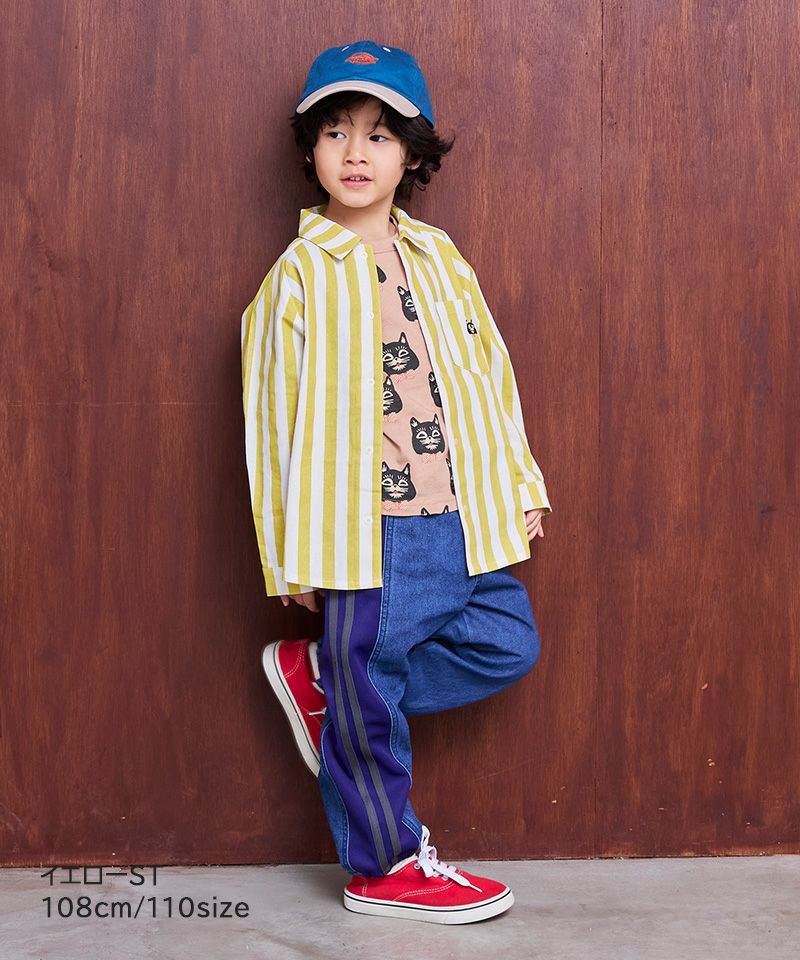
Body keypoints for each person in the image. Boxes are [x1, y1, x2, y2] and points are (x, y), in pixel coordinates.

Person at [240, 40, 553, 925]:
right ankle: (385, 864)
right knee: (369, 688)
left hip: (458, 512)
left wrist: (520, 479)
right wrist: (284, 556)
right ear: (310, 149)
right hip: (363, 527)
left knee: (507, 640)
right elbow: (269, 419)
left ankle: (326, 682)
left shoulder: (440, 256)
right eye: (335, 132)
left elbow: (489, 372)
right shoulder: (298, 277)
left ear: (411, 155)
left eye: (378, 136)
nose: (355, 153)